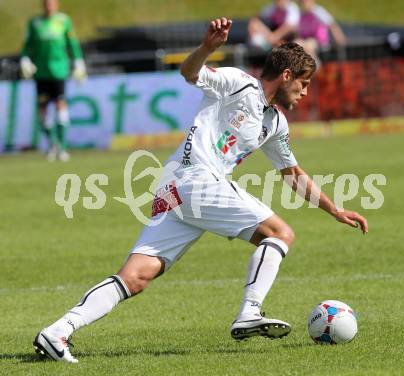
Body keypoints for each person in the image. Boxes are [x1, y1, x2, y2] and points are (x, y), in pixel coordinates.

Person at [33, 17, 368, 363]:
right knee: (280, 233)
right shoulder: (239, 84)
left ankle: (57, 331)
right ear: (286, 75)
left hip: (180, 191)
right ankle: (250, 311)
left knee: (136, 277)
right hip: (195, 179)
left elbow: (293, 174)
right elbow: (191, 74)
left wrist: (335, 210)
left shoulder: (275, 123)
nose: (306, 91)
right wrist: (207, 48)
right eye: (304, 82)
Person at [20, 0, 86, 162]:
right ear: (43, 4)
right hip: (41, 72)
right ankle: (53, 144)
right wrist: (25, 59)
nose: (49, 5)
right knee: (42, 109)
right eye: (46, 3)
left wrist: (78, 61)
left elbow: (72, 43)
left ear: (56, 4)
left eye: (51, 3)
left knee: (60, 105)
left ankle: (62, 148)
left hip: (59, 71)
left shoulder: (63, 21)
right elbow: (27, 45)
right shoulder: (35, 23)